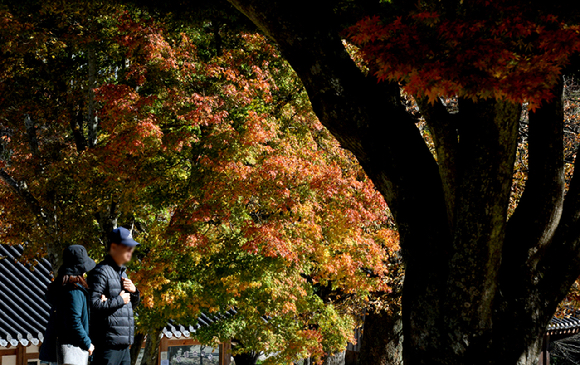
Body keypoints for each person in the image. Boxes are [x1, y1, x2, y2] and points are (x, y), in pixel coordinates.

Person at [89, 227, 140, 365]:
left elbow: (127, 308)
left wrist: (134, 292)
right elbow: (92, 305)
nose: (131, 251)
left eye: (132, 248)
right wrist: (119, 300)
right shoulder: (101, 272)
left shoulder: (123, 273)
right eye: (127, 247)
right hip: (107, 345)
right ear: (114, 247)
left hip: (124, 345)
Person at [42, 245, 96, 365]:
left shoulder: (62, 288)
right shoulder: (74, 291)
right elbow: (74, 320)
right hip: (72, 348)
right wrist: (87, 343)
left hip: (61, 347)